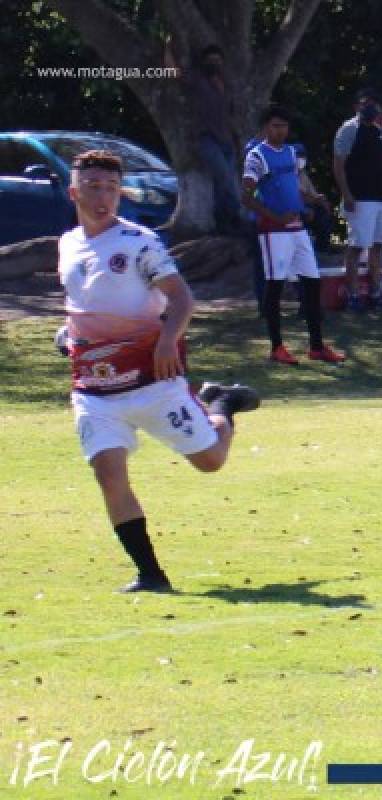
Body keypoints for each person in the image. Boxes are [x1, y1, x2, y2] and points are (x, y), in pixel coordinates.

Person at [57, 150, 260, 592]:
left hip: (152, 380)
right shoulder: (68, 244)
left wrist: (168, 339)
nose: (103, 196)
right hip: (93, 389)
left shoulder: (138, 243)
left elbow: (182, 299)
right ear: (74, 192)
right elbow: (84, 305)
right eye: (93, 186)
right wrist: (69, 334)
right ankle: (151, 575)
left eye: (111, 188)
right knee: (108, 474)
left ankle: (221, 403)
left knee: (210, 461)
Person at [242, 105, 345, 365]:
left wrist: (313, 198)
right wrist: (275, 217)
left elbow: (295, 186)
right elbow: (247, 197)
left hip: (297, 229)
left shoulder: (291, 153)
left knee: (311, 283)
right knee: (274, 286)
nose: (280, 131)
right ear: (266, 127)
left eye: (284, 126)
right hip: (273, 231)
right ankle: (277, 347)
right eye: (275, 126)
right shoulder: (257, 156)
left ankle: (317, 346)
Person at [333, 90, 382, 310]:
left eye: (373, 103)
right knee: (357, 247)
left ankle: (376, 294)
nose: (370, 108)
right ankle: (353, 295)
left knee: (378, 246)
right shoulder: (349, 129)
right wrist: (347, 194)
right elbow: (338, 164)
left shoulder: (377, 130)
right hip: (360, 198)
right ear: (356, 106)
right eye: (365, 104)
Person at [188, 44, 243, 233]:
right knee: (227, 180)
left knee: (222, 186)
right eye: (210, 61)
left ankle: (224, 225)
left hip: (228, 142)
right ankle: (237, 218)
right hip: (207, 140)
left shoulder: (226, 86)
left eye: (218, 60)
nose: (214, 64)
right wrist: (168, 45)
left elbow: (231, 116)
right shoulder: (198, 81)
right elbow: (172, 71)